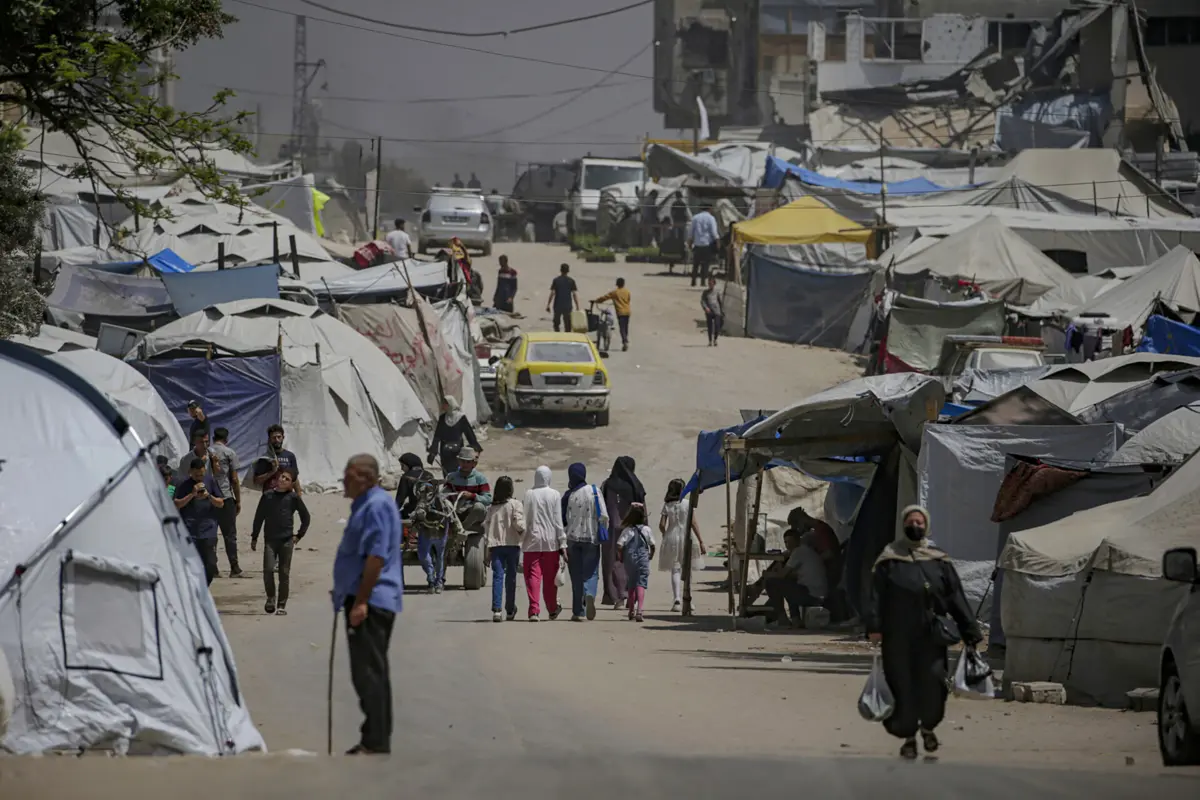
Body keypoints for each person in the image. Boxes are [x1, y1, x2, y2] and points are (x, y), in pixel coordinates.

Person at [866, 506, 980, 760]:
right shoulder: (889, 558)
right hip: (897, 635)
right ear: (903, 524)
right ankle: (908, 737)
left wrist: (969, 630)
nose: (915, 526)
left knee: (933, 682)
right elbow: (876, 597)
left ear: (926, 526)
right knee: (901, 686)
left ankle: (928, 727)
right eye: (910, 522)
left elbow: (955, 597)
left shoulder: (939, 560)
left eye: (919, 522)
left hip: (931, 635)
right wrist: (874, 627)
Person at [334, 454, 404, 755]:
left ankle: (376, 741)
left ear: (365, 477)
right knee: (367, 671)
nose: (344, 481)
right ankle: (373, 737)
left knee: (368, 672)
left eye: (348, 475)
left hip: (372, 600)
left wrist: (360, 601)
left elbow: (376, 557)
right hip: (362, 596)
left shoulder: (376, 505)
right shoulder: (365, 504)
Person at [250, 468, 310, 615]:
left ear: (291, 484)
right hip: (270, 540)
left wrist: (299, 535)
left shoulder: (293, 498)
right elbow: (259, 517)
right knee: (268, 570)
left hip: (287, 540)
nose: (283, 480)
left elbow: (306, 517)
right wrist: (254, 537)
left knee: (284, 573)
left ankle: (281, 604)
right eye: (282, 477)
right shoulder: (267, 496)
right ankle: (271, 598)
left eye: (287, 479)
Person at [563, 462, 608, 622]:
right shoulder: (595, 491)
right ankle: (589, 594)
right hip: (591, 538)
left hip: (572, 539)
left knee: (576, 575)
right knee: (591, 572)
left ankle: (578, 612)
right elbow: (603, 515)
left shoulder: (569, 495)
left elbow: (563, 520)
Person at [521, 466, 566, 621]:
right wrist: (563, 543)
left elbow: (524, 519)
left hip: (531, 541)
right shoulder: (555, 494)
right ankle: (552, 609)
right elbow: (558, 521)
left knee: (533, 577)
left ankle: (534, 610)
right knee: (549, 579)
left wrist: (521, 540)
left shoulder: (529, 494)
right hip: (551, 542)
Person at [600, 456, 644, 609]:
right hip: (632, 527)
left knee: (612, 562)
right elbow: (641, 509)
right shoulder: (636, 486)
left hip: (611, 529)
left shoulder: (607, 485)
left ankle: (618, 597)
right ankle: (632, 594)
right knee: (632, 562)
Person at [175, 457, 225, 586]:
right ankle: (196, 592)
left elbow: (221, 503)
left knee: (210, 565)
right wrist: (192, 494)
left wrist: (208, 496)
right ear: (190, 472)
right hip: (189, 530)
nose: (199, 476)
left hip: (208, 530)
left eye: (201, 474)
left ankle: (204, 587)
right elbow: (177, 504)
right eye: (196, 474)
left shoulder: (211, 481)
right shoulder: (183, 484)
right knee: (191, 564)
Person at [658, 478, 704, 612]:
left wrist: (665, 534)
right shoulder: (687, 504)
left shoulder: (667, 505)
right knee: (687, 568)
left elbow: (661, 525)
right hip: (687, 536)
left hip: (672, 536)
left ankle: (676, 598)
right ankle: (687, 598)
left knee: (675, 569)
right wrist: (701, 541)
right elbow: (694, 523)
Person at [764, 530, 826, 628]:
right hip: (818, 593)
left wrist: (767, 574)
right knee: (789, 585)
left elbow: (782, 575)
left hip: (811, 594)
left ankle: (782, 618)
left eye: (790, 542)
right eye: (786, 542)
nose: (788, 546)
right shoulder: (807, 551)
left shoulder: (798, 552)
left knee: (771, 583)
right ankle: (795, 619)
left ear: (798, 541)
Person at [484, 476, 525, 622]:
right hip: (513, 545)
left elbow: (487, 528)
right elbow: (517, 522)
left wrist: (487, 551)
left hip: (495, 547)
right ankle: (509, 609)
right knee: (511, 578)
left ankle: (496, 610)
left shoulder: (492, 507)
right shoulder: (516, 504)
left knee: (497, 577)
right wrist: (524, 532)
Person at [209, 427, 244, 578]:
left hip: (208, 496)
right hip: (225, 496)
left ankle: (212, 568)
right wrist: (238, 500)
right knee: (229, 534)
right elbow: (234, 479)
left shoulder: (207, 451)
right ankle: (234, 567)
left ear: (213, 438)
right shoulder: (230, 453)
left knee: (210, 534)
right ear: (226, 439)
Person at [616, 504, 655, 622]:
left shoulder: (627, 530)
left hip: (630, 559)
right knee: (641, 583)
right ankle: (640, 610)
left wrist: (621, 556)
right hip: (643, 558)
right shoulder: (647, 529)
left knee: (632, 584)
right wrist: (651, 555)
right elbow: (652, 545)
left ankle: (631, 610)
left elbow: (619, 545)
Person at [444, 447, 492, 537]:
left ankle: (460, 529)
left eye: (468, 462)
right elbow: (443, 496)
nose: (465, 464)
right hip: (455, 512)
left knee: (479, 507)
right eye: (462, 461)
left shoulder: (480, 478)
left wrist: (472, 496)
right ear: (458, 461)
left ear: (474, 463)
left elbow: (488, 499)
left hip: (473, 514)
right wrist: (453, 496)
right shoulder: (451, 477)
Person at [427, 397, 481, 476]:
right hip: (445, 452)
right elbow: (437, 436)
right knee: (447, 473)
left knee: (458, 472)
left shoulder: (461, 417)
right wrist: (433, 452)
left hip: (457, 451)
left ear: (450, 404)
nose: (442, 406)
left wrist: (475, 448)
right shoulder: (442, 418)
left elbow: (469, 433)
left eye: (445, 404)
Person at [253, 424, 300, 492]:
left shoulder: (290, 456)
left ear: (283, 437)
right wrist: (272, 471)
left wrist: (298, 497)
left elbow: (295, 479)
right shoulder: (265, 458)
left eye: (279, 437)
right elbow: (256, 481)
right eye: (274, 438)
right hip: (270, 497)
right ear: (269, 439)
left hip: (286, 497)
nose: (277, 440)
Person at [593, 277, 632, 352]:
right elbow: (628, 300)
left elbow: (605, 297)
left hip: (620, 312)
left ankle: (625, 341)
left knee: (622, 328)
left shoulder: (615, 292)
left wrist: (597, 301)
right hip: (627, 311)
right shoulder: (627, 291)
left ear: (617, 284)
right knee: (625, 327)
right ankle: (625, 340)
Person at [687, 205, 720, 287]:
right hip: (707, 244)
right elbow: (714, 232)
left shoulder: (695, 217)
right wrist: (718, 242)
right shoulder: (711, 218)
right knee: (705, 264)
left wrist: (690, 243)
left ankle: (693, 281)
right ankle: (703, 281)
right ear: (710, 209)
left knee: (695, 264)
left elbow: (691, 232)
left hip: (697, 244)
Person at [546, 263, 579, 332]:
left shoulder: (556, 280)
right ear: (568, 271)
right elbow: (574, 294)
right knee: (568, 324)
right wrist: (577, 306)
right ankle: (566, 338)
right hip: (567, 306)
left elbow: (552, 293)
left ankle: (558, 336)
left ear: (560, 270)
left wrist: (548, 305)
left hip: (557, 305)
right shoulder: (571, 281)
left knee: (556, 323)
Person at [701, 276, 724, 347]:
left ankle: (715, 339)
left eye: (711, 283)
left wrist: (722, 311)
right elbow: (702, 301)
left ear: (714, 284)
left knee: (717, 325)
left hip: (717, 311)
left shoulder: (717, 292)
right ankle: (710, 341)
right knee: (710, 326)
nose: (710, 285)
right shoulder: (705, 292)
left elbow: (720, 302)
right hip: (709, 311)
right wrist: (706, 308)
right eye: (709, 283)